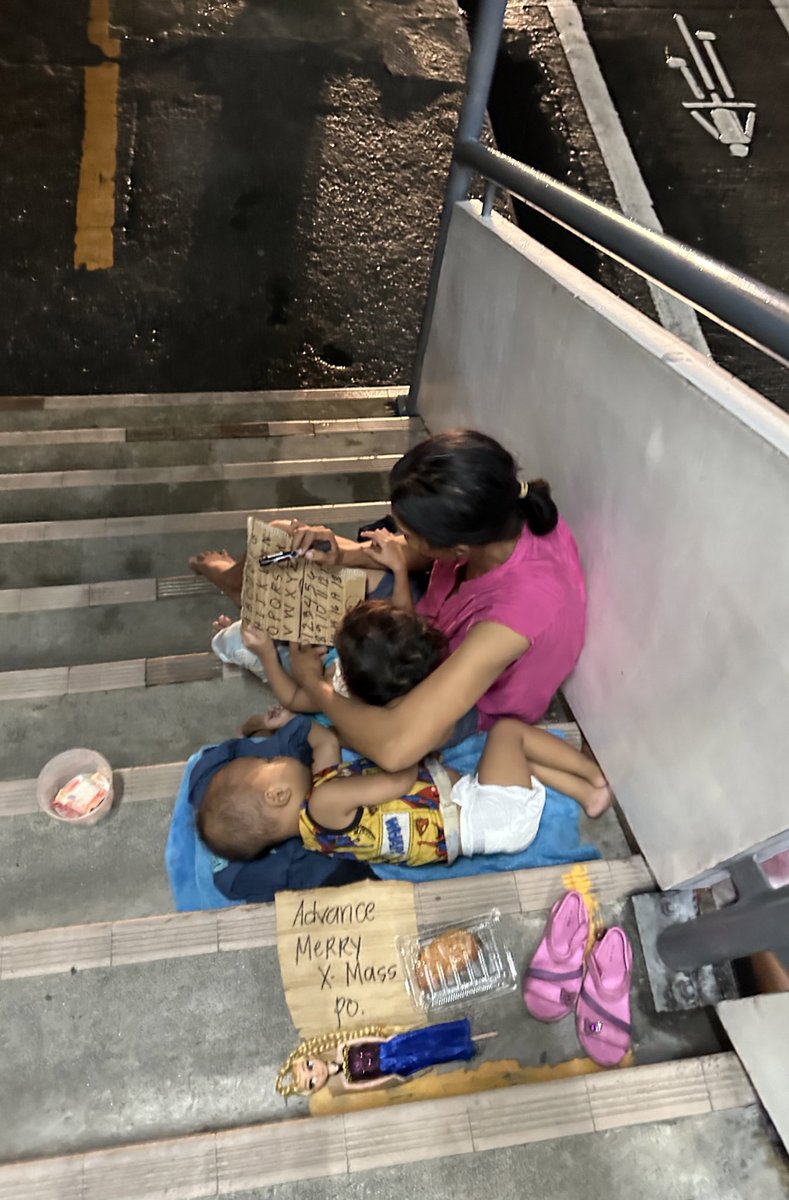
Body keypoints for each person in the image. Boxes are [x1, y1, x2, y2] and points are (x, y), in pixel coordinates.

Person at [189, 430, 587, 771]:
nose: (397, 537)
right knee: (283, 542)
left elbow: (396, 750)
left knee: (371, 709)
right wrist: (343, 555)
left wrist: (315, 684)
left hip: (472, 695)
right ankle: (236, 582)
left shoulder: (516, 613)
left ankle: (296, 687)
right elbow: (412, 553)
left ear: (458, 547)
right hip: (428, 624)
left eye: (408, 533)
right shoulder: (493, 513)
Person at [196, 714, 612, 873]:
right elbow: (396, 781)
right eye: (268, 764)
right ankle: (595, 771)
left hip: (474, 812)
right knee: (507, 733)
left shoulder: (317, 822)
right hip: (479, 818)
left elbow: (324, 743)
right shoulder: (323, 803)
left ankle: (588, 795)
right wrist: (411, 740)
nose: (277, 757)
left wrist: (285, 723)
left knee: (519, 766)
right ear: (277, 797)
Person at [236, 600, 451, 735]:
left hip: (315, 725)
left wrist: (267, 655)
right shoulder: (407, 665)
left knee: (273, 728)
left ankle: (256, 727)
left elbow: (293, 698)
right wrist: (399, 570)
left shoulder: (336, 687)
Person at [276, 1019, 488, 1096]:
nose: (317, 1073)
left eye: (309, 1066)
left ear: (311, 1055)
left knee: (426, 1038)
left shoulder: (342, 1048)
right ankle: (462, 1048)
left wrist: (386, 1040)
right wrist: (394, 1077)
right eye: (312, 1082)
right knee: (429, 1056)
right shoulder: (347, 1082)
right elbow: (375, 1082)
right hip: (393, 1066)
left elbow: (364, 1038)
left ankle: (459, 1032)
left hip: (390, 1047)